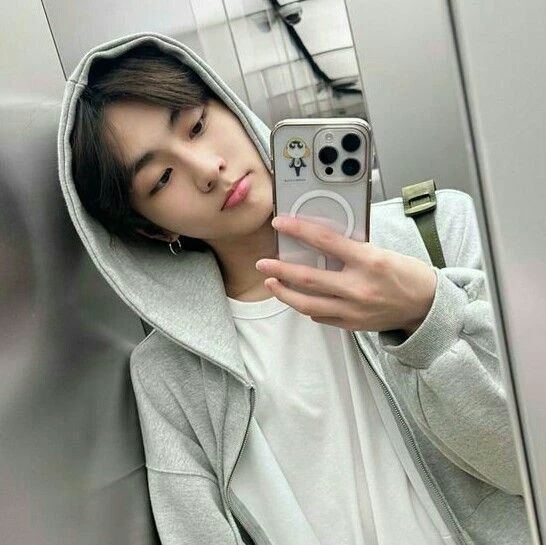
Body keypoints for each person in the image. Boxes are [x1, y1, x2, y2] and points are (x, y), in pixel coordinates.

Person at [59, 33, 530, 545]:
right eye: (162, 178)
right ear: (152, 229)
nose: (207, 170)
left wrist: (425, 314)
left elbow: (524, 461)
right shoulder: (169, 376)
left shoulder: (436, 230)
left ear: (231, 106)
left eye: (196, 125)